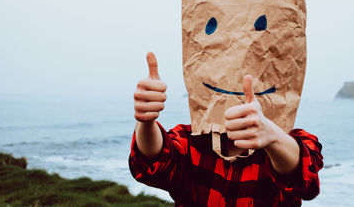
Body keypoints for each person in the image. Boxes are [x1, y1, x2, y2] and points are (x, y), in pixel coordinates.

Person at [129, 52, 323, 206]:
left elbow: (306, 182)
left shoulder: (293, 143)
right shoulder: (191, 141)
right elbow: (151, 164)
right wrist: (146, 122)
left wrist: (272, 137)